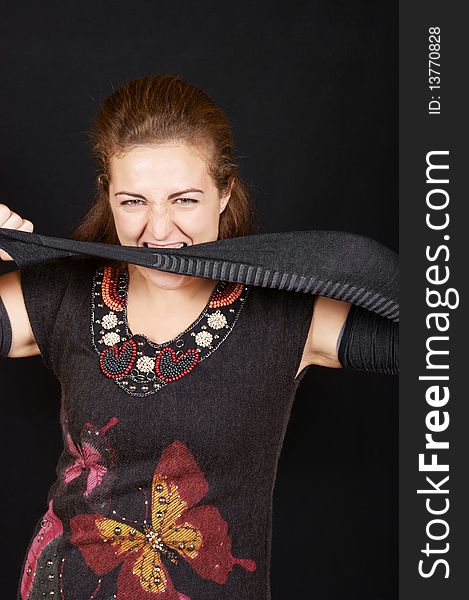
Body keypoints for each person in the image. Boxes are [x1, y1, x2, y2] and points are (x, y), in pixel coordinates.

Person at [0, 74, 397, 600]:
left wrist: (302, 259)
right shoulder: (65, 294)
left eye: (184, 200)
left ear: (224, 190)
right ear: (107, 196)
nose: (159, 231)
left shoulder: (285, 314)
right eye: (133, 201)